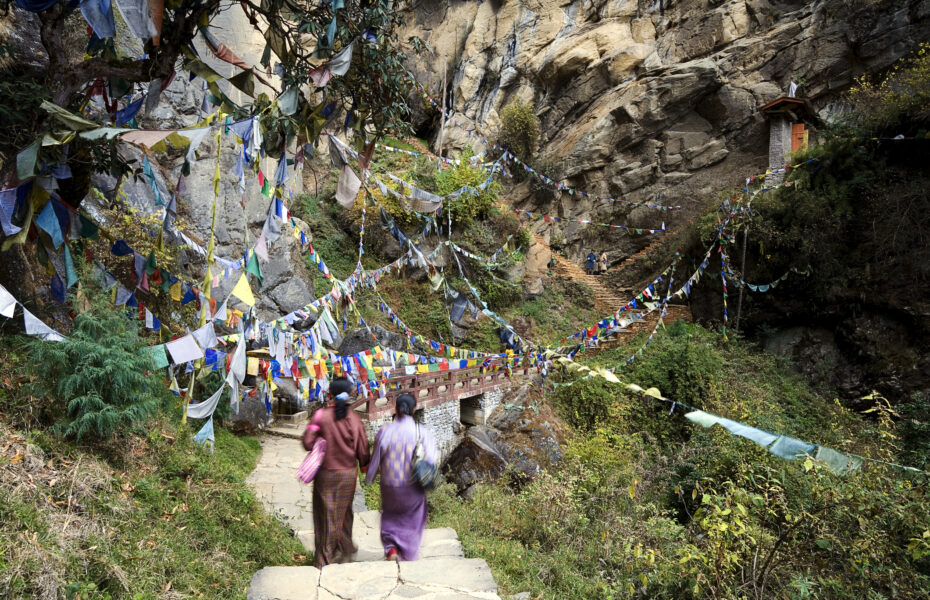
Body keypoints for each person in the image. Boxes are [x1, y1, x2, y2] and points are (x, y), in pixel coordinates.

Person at [302, 377, 371, 568]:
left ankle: (324, 559)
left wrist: (318, 438)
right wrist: (365, 467)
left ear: (329, 394)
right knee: (345, 512)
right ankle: (346, 548)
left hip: (326, 474)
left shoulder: (320, 416)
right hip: (348, 474)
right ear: (350, 395)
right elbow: (363, 449)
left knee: (325, 514)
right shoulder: (355, 419)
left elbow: (307, 443)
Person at [365, 393, 438, 562]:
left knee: (390, 515)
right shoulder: (421, 432)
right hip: (411, 486)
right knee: (413, 518)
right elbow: (432, 459)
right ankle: (408, 555)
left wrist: (369, 478)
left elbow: (376, 459)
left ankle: (391, 549)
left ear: (395, 409)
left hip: (389, 485)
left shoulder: (385, 431)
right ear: (413, 409)